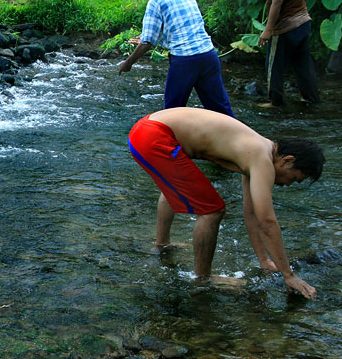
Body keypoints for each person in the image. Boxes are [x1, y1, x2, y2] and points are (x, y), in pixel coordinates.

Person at [127, 107, 324, 299]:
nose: (288, 184)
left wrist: (264, 261)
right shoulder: (261, 158)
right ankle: (202, 279)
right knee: (212, 210)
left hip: (145, 130)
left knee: (176, 185)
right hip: (155, 136)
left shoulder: (256, 150)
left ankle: (162, 245)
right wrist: (288, 275)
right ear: (287, 161)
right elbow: (267, 222)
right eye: (294, 178)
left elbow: (253, 214)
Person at [118, 0, 235, 117]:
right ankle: (237, 140)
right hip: (208, 55)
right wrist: (146, 38)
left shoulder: (156, 1)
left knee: (172, 111)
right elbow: (179, 30)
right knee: (221, 109)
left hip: (186, 60)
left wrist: (128, 63)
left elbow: (148, 42)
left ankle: (171, 142)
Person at [255, 0, 319, 106]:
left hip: (285, 27)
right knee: (303, 64)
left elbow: (277, 2)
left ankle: (274, 101)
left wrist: (268, 30)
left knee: (274, 65)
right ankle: (311, 98)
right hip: (303, 22)